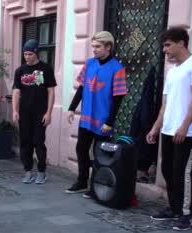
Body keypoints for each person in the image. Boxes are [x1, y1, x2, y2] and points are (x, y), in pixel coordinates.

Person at [146, 27, 192, 231]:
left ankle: (185, 214)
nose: (165, 50)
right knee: (167, 170)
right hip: (168, 129)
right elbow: (165, 104)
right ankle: (174, 208)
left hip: (187, 131)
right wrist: (155, 127)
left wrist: (185, 126)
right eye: (164, 45)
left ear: (181, 43)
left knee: (182, 173)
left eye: (168, 45)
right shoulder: (173, 71)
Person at [66, 31, 127, 197]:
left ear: (108, 47)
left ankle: (95, 187)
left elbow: (118, 98)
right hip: (86, 118)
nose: (94, 50)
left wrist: (110, 121)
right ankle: (81, 181)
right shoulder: (89, 64)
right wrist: (72, 108)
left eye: (97, 46)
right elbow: (81, 88)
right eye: (93, 46)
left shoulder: (117, 68)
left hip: (103, 121)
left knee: (100, 156)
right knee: (81, 150)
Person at [12, 39, 57, 184]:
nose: (27, 57)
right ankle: (27, 171)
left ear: (36, 53)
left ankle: (42, 172)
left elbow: (50, 92)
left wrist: (48, 113)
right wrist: (15, 110)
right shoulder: (20, 71)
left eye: (30, 54)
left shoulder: (45, 69)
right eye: (25, 54)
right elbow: (16, 92)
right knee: (25, 143)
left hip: (40, 113)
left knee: (38, 142)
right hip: (24, 113)